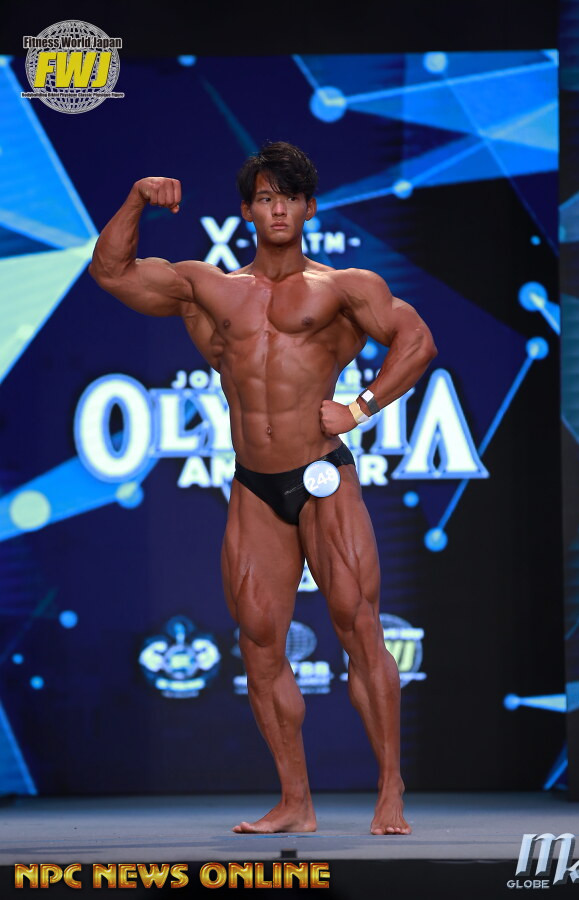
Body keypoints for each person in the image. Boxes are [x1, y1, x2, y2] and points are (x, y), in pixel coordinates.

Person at [88, 141, 437, 836]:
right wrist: (135, 198)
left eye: (290, 198)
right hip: (254, 484)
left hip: (323, 475)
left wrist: (360, 407)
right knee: (259, 640)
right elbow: (112, 271)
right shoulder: (209, 288)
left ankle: (389, 788)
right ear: (247, 211)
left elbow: (417, 341)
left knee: (358, 626)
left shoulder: (343, 288)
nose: (279, 210)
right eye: (266, 198)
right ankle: (295, 802)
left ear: (310, 208)